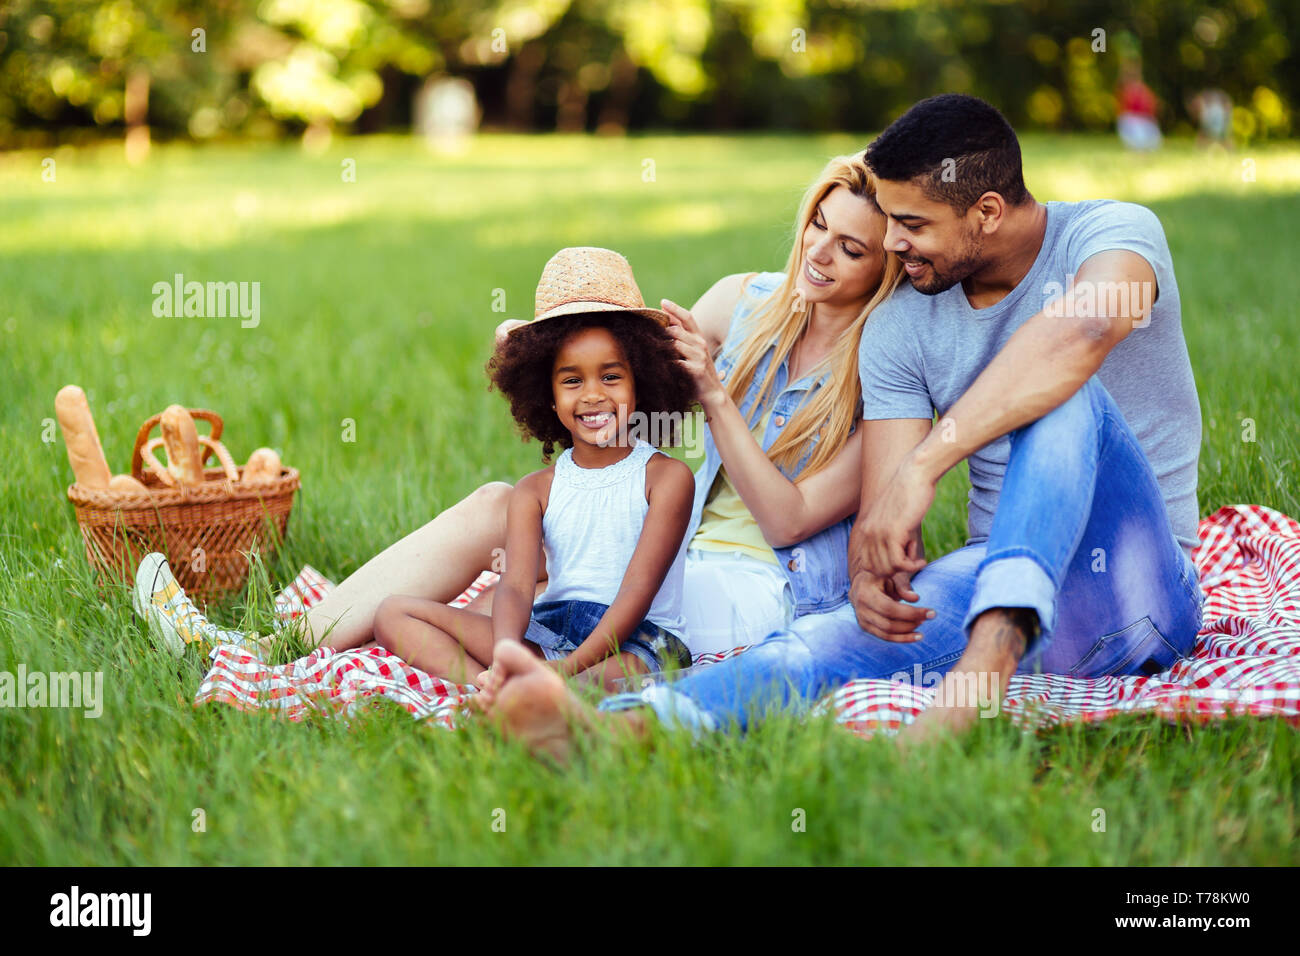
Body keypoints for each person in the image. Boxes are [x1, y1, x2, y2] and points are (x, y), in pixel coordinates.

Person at [478, 93, 1205, 758]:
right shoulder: (904, 325)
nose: (893, 245)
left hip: (1141, 589)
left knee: (1065, 393)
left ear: (986, 211)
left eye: (912, 225)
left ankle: (979, 677)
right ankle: (621, 732)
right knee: (817, 642)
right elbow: (882, 505)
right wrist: (869, 578)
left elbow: (1083, 334)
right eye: (887, 224)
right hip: (991, 582)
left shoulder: (1113, 233)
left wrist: (929, 465)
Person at [131, 155, 903, 675]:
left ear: (884, 269)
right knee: (499, 504)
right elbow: (631, 379)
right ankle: (270, 645)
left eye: (851, 249)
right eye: (816, 226)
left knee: (557, 593)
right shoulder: (748, 302)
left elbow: (786, 518)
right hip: (668, 540)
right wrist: (545, 350)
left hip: (752, 587)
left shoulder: (884, 377)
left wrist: (718, 399)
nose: (819, 254)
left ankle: (499, 680)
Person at [371, 247, 697, 691]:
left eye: (611, 377)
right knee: (394, 613)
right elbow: (517, 588)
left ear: (642, 383)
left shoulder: (667, 479)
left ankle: (542, 690)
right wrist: (508, 653)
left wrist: (567, 667)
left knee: (616, 676)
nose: (593, 395)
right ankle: (494, 687)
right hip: (549, 631)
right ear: (546, 396)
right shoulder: (534, 490)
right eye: (572, 380)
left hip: (634, 641)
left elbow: (637, 594)